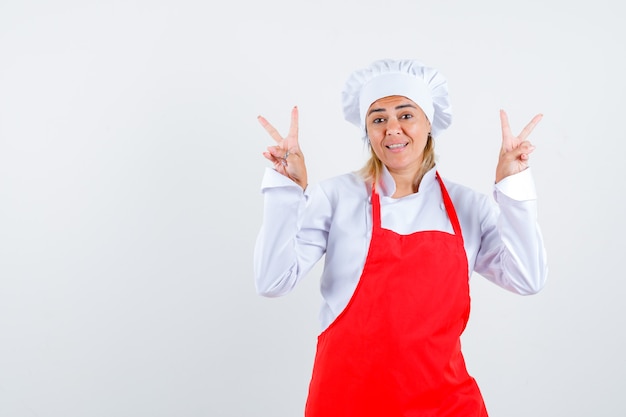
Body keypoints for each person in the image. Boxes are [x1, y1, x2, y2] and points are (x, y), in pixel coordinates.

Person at [254, 58, 547, 416]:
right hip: (347, 400)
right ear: (368, 132)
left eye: (406, 115)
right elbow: (272, 280)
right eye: (378, 119)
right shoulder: (336, 198)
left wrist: (512, 186)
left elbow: (528, 278)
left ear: (429, 123)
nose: (392, 128)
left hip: (445, 405)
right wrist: (286, 191)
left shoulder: (469, 206)